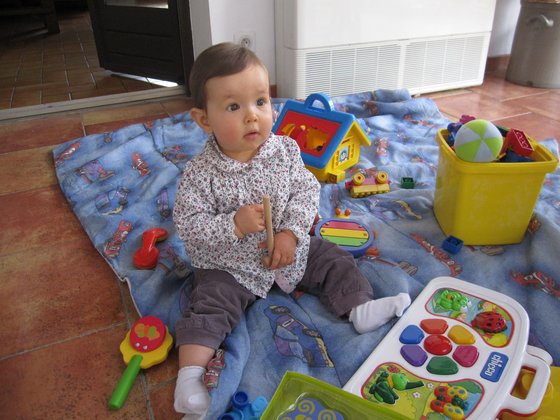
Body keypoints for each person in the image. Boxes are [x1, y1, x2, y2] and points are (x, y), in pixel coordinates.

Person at [172, 42, 411, 416]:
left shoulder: (285, 150)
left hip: (289, 250)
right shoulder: (200, 174)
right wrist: (233, 224)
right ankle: (189, 376)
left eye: (261, 101)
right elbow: (189, 225)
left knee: (332, 258)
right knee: (210, 304)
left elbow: (305, 191)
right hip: (229, 265)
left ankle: (359, 307)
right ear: (204, 120)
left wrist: (292, 234)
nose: (253, 116)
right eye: (234, 107)